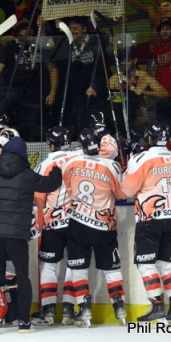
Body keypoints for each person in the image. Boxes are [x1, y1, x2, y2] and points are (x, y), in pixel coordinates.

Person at [0, 135, 62, 334]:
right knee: (22, 276)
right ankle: (23, 322)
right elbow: (49, 185)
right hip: (17, 235)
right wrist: (57, 173)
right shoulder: (27, 174)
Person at [60, 126, 127, 328]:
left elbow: (69, 187)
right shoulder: (112, 165)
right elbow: (122, 194)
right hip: (105, 225)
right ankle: (119, 307)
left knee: (78, 268)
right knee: (111, 268)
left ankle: (84, 309)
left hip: (78, 223)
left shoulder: (70, 161)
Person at [121, 123, 171, 322]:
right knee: (166, 265)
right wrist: (137, 154)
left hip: (150, 218)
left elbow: (127, 190)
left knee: (145, 264)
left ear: (149, 139)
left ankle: (156, 304)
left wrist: (132, 157)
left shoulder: (141, 158)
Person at [31, 126, 82, 326]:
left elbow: (39, 199)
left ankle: (49, 309)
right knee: (74, 264)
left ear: (51, 144)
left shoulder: (46, 163)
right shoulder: (79, 158)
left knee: (49, 266)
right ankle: (69, 308)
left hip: (54, 221)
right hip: (78, 221)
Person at [0, 20, 59, 141]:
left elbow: (52, 70)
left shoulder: (40, 46)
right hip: (13, 91)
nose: (28, 32)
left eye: (30, 29)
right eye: (24, 29)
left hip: (33, 94)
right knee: (0, 117)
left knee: (28, 128)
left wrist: (52, 93)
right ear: (17, 32)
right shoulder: (9, 47)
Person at [54, 16, 111, 135]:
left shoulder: (97, 40)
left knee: (95, 120)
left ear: (85, 29)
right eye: (70, 28)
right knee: (79, 120)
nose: (72, 31)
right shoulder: (67, 44)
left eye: (75, 28)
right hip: (76, 91)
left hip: (95, 90)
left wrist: (95, 86)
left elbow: (102, 68)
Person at [108, 46, 167, 132]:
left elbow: (164, 93)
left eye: (127, 60)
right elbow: (107, 98)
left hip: (141, 124)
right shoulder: (114, 79)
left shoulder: (144, 76)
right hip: (121, 124)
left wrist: (144, 92)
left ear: (135, 60)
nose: (123, 63)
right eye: (121, 61)